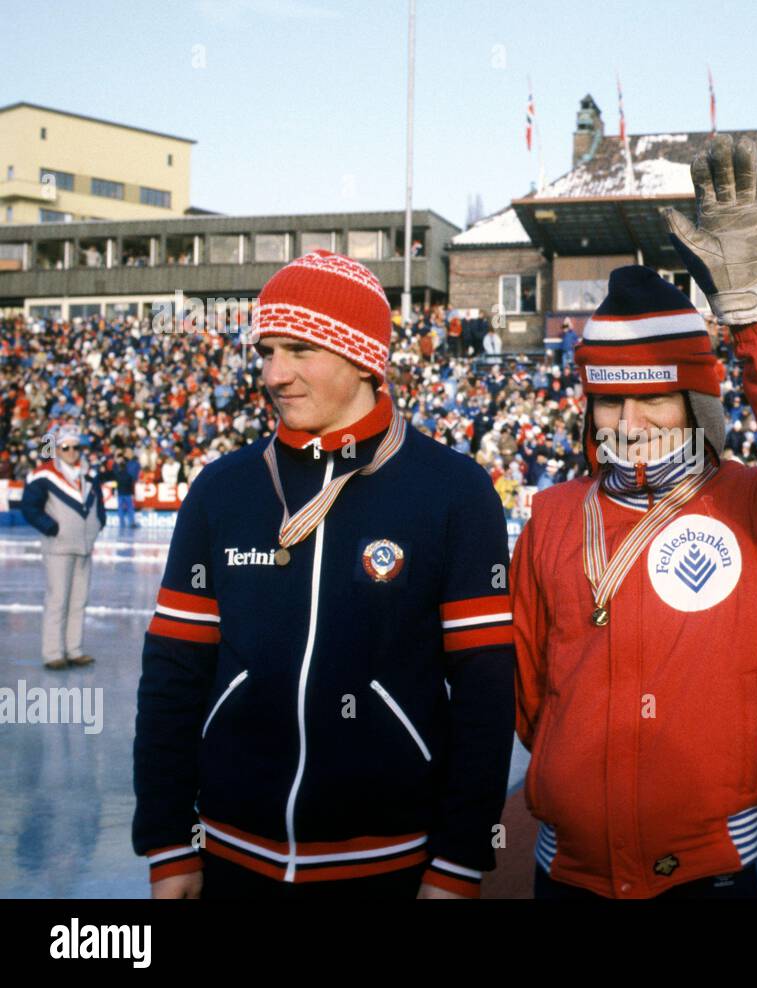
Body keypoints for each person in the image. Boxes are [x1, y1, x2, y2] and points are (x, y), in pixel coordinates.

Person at [511, 136, 757, 899]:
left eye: (654, 395)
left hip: (716, 877)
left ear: (697, 403)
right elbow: (529, 692)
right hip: (567, 875)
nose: (630, 419)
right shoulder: (551, 515)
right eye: (610, 397)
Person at [132, 250, 515, 899]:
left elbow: (484, 693)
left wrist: (457, 862)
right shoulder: (223, 490)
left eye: (300, 349)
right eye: (267, 351)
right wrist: (170, 843)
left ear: (364, 357)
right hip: (230, 857)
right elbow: (173, 676)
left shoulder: (453, 492)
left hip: (391, 863)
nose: (275, 374)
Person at [20, 424, 106, 669]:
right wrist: (51, 528)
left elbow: (98, 502)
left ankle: (74, 649)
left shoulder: (89, 473)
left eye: (76, 447)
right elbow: (29, 508)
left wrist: (99, 522)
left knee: (79, 600)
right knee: (57, 600)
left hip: (85, 546)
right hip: (58, 547)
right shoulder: (44, 475)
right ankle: (53, 653)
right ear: (57, 448)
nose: (71, 452)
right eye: (66, 447)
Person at [112, 448, 141, 529]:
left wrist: (113, 491)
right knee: (129, 508)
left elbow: (115, 483)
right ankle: (130, 522)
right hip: (126, 493)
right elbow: (130, 483)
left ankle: (123, 523)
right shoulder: (127, 475)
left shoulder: (118, 473)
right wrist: (132, 493)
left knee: (121, 508)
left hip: (121, 493)